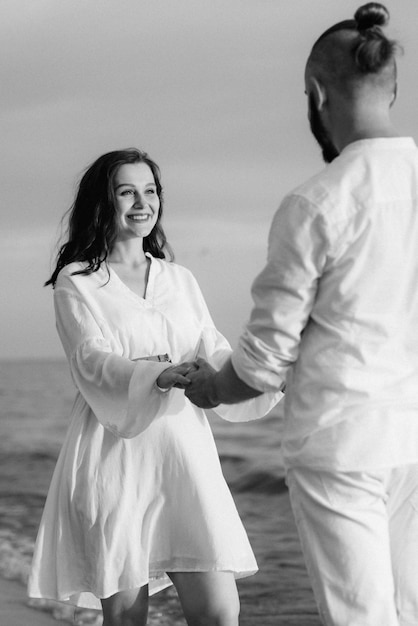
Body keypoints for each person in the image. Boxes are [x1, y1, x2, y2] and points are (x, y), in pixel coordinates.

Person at [184, 4, 418, 625]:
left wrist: (209, 387)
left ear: (316, 94)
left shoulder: (317, 202)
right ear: (392, 88)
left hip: (343, 442)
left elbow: (262, 363)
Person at [27, 148, 280, 626]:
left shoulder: (179, 279)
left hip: (184, 454)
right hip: (114, 456)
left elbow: (215, 351)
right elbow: (91, 360)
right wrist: (155, 374)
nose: (142, 203)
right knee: (127, 619)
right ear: (104, 202)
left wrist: (266, 372)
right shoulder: (78, 282)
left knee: (220, 613)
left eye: (150, 191)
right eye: (127, 192)